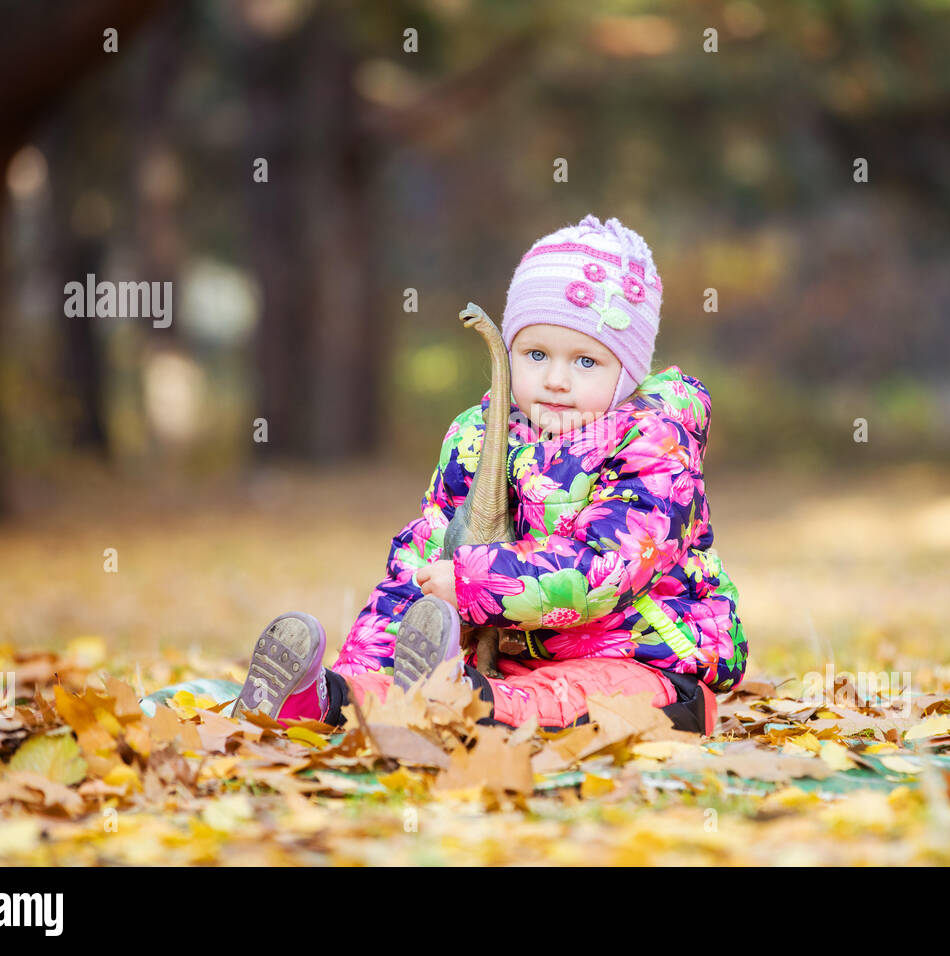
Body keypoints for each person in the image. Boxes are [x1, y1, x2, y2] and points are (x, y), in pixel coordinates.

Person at [233, 214, 747, 736]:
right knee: (430, 673)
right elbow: (423, 561)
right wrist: (368, 662)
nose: (555, 379)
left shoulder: (653, 443)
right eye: (536, 353)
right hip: (511, 664)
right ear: (508, 351)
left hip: (649, 666)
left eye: (586, 362)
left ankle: (464, 702)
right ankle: (328, 700)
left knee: (567, 698)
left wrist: (472, 582)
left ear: (628, 372)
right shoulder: (478, 440)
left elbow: (606, 568)